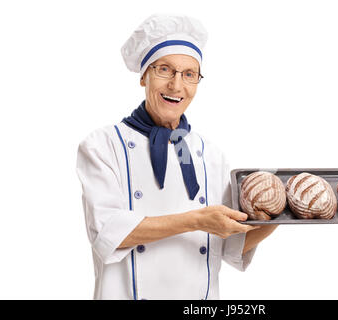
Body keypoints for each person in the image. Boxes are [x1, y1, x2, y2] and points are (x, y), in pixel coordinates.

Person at [76, 14, 278, 300]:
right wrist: (196, 220)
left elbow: (231, 245)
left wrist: (282, 216)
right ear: (144, 75)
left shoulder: (211, 154)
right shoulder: (103, 145)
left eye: (188, 74)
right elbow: (108, 233)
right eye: (165, 70)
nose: (176, 85)